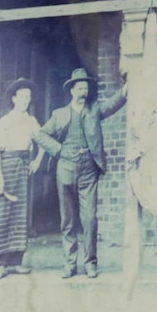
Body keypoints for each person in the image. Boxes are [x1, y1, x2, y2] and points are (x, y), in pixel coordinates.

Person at [36, 67, 127, 279]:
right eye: (79, 88)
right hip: (66, 169)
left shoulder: (94, 110)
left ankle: (90, 263)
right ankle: (70, 263)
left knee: (89, 218)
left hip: (88, 170)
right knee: (67, 220)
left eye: (85, 88)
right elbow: (41, 135)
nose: (83, 91)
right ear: (71, 91)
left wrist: (125, 89)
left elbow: (113, 105)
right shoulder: (59, 115)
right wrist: (59, 150)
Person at [0, 78, 44, 280]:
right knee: (3, 214)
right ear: (13, 99)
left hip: (23, 169)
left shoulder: (31, 121)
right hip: (6, 166)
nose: (24, 101)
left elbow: (43, 140)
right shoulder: (4, 122)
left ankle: (16, 262)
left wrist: (37, 159)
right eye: (21, 97)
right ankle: (0, 264)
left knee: (20, 214)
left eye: (27, 97)